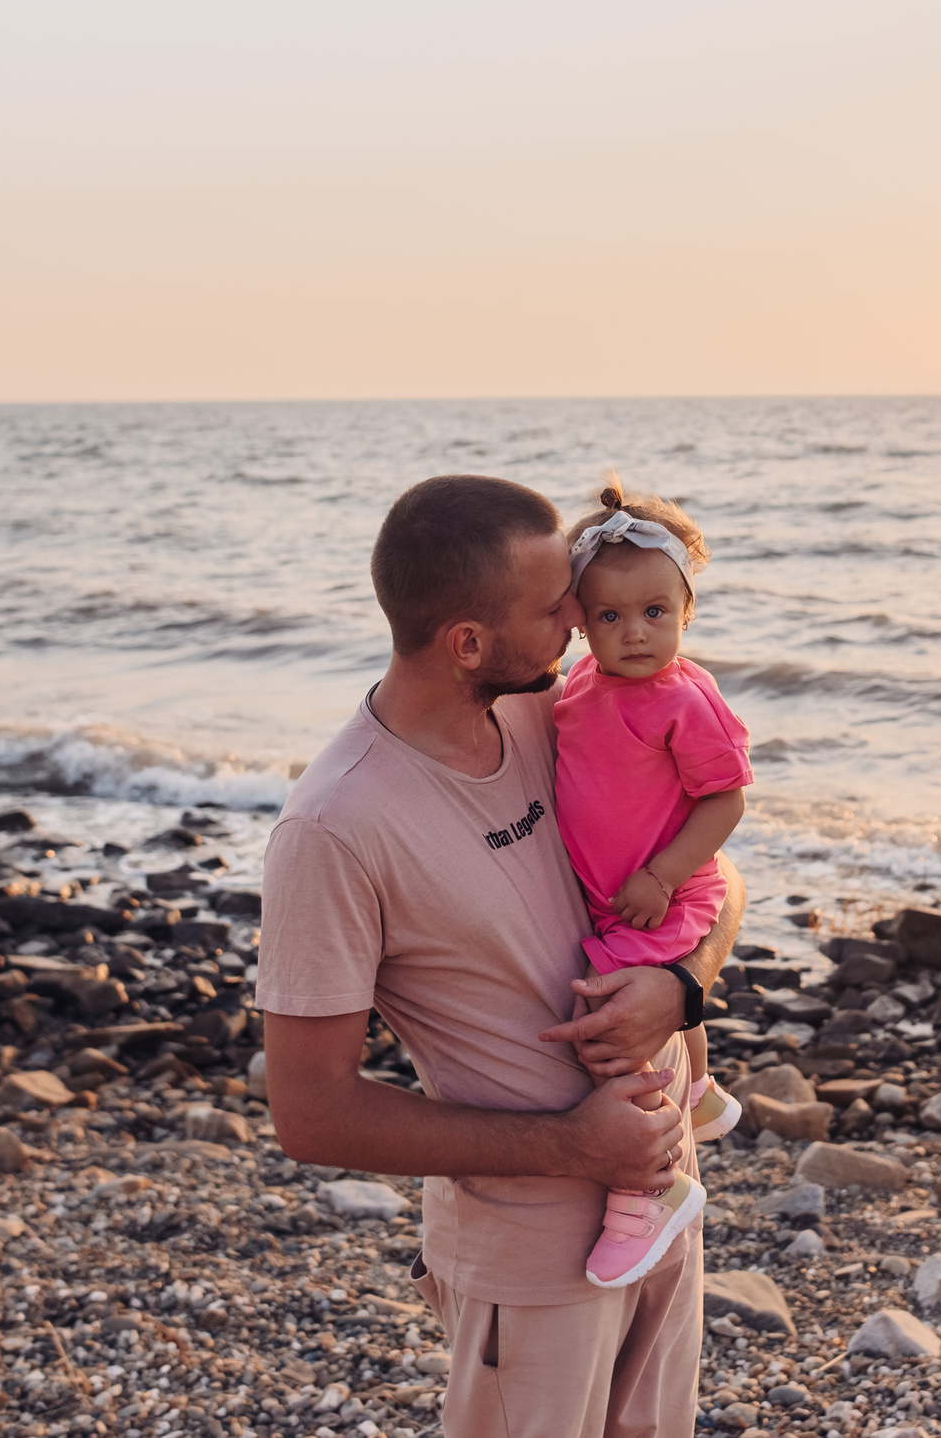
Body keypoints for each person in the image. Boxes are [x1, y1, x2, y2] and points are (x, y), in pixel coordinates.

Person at [258, 474, 744, 1437]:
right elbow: (310, 1112)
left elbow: (718, 878)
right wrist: (572, 1146)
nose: (579, 615)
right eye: (552, 602)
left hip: (660, 1200)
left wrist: (681, 986)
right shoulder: (335, 827)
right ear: (467, 643)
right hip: (529, 1265)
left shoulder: (557, 711)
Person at [555, 477, 750, 1289]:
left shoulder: (680, 699)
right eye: (610, 616)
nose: (635, 633)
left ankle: (652, 1182)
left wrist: (664, 875)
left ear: (686, 609)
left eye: (655, 613)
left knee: (610, 1026)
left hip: (665, 888)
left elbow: (725, 797)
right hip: (617, 891)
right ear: (578, 620)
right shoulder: (577, 687)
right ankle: (697, 1087)